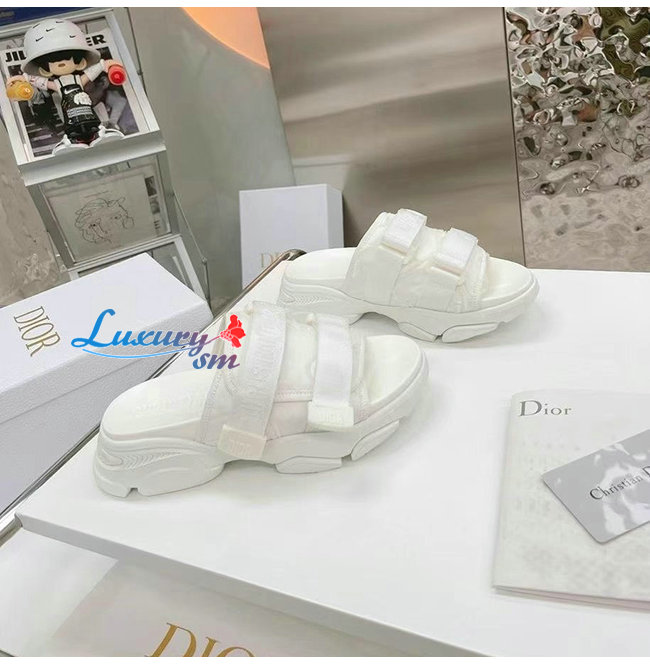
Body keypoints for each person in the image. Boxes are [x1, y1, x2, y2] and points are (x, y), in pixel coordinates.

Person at [5, 18, 126, 155]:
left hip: (85, 109)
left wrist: (106, 65)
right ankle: (71, 141)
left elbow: (93, 72)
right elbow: (39, 81)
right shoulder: (57, 85)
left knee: (92, 123)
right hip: (70, 113)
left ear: (79, 61)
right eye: (52, 61)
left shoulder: (79, 80)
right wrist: (23, 79)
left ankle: (100, 135)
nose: (61, 63)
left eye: (67, 57)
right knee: (73, 128)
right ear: (45, 68)